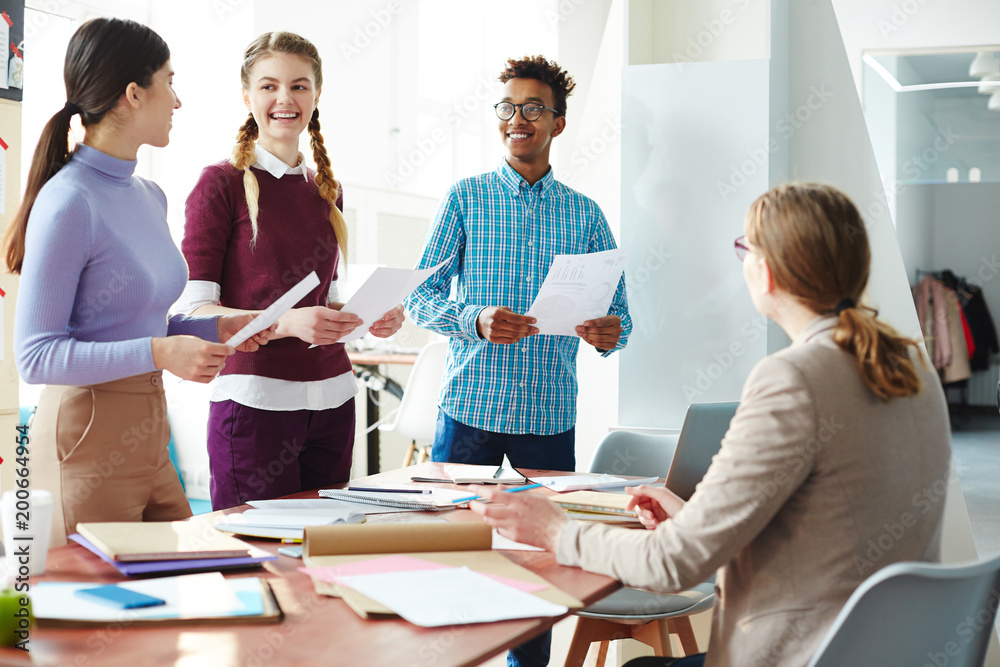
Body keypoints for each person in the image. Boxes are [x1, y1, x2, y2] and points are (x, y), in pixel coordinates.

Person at [471, 183, 952, 667]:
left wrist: (554, 530)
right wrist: (693, 519)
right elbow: (829, 527)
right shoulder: (912, 368)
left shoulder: (793, 378)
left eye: (745, 247)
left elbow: (670, 566)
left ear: (766, 271)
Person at [5, 18, 272, 548]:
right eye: (169, 82)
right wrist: (159, 351)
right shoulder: (68, 201)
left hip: (151, 435)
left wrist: (220, 327)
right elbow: (36, 357)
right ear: (133, 94)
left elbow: (140, 321)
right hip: (84, 440)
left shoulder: (149, 195)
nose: (177, 101)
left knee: (181, 596)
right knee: (96, 617)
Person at [406, 54, 632, 667]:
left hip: (548, 416)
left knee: (538, 563)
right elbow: (419, 297)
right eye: (508, 107)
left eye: (534, 108)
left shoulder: (585, 214)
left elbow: (621, 322)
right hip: (470, 408)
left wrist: (607, 332)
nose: (518, 118)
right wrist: (472, 319)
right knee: (455, 551)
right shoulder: (465, 198)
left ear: (558, 123)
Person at [176, 32, 404, 511]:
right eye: (268, 86)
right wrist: (282, 324)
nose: (285, 99)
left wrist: (366, 315)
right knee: (253, 558)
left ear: (317, 96)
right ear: (247, 96)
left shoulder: (328, 190)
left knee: (320, 559)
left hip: (335, 403)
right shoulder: (219, 183)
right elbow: (195, 311)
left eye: (299, 86)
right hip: (255, 404)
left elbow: (325, 302)